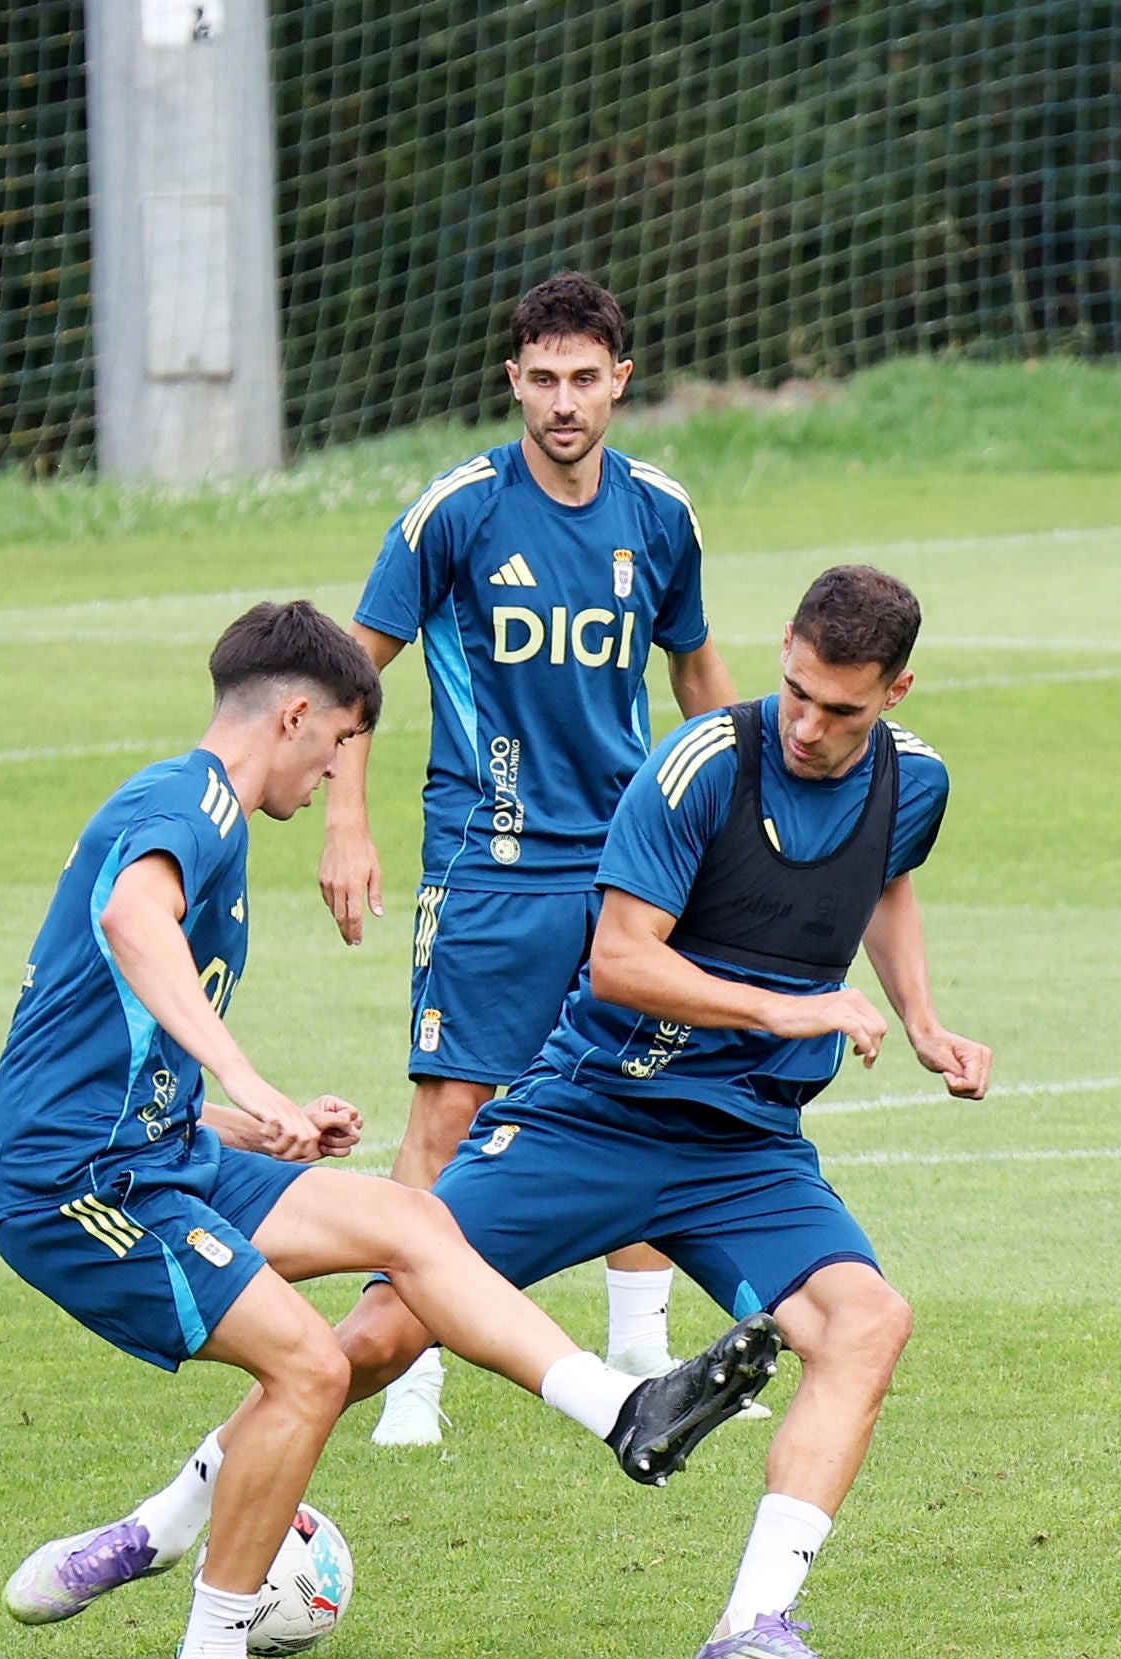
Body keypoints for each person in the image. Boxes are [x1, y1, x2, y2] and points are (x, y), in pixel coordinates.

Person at [1, 564, 990, 1659]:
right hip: (593, 1116)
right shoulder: (706, 763)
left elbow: (886, 882)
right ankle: (161, 1522)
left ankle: (752, 1626)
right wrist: (790, 1005)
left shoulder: (916, 784)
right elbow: (617, 959)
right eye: (797, 691)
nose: (810, 724)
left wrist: (922, 1019)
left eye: (843, 708)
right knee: (371, 1338)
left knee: (867, 1324)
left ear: (897, 690)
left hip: (746, 1143)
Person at [318, 269, 762, 1445]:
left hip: (631, 856)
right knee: (455, 1103)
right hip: (490, 858)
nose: (564, 401)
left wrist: (747, 804)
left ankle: (636, 1338)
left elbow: (698, 676)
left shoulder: (661, 513)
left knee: (646, 1088)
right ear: (512, 379)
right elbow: (351, 674)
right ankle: (412, 1368)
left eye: (585, 378)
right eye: (543, 378)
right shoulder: (456, 511)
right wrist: (345, 819)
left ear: (622, 381)